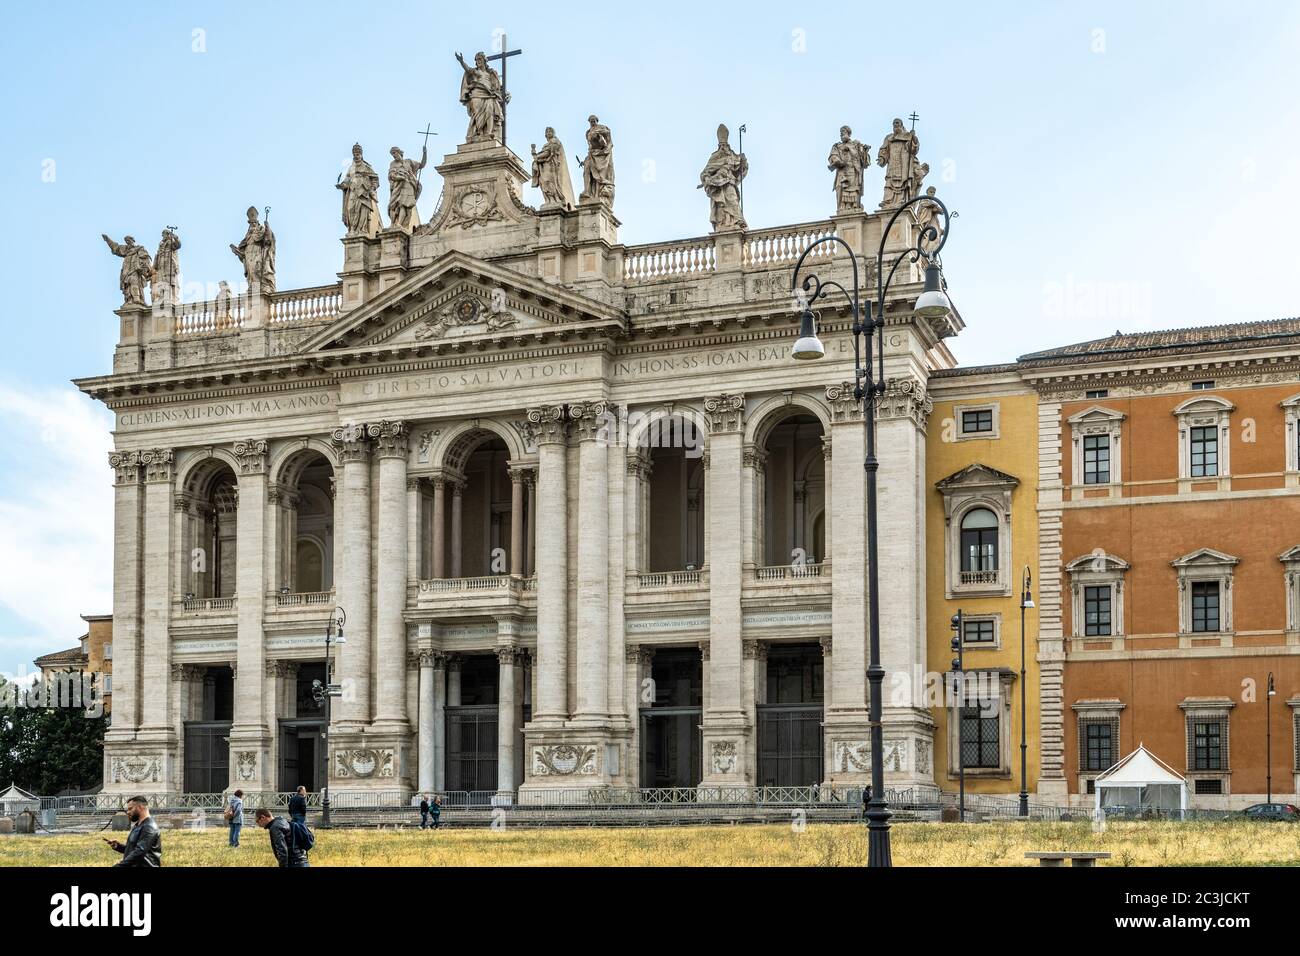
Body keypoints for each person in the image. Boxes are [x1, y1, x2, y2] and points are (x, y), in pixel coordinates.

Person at [104, 795, 161, 867]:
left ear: (140, 807)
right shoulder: (138, 825)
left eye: (130, 809)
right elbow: (134, 850)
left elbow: (139, 852)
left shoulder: (149, 827)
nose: (128, 812)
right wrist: (118, 846)